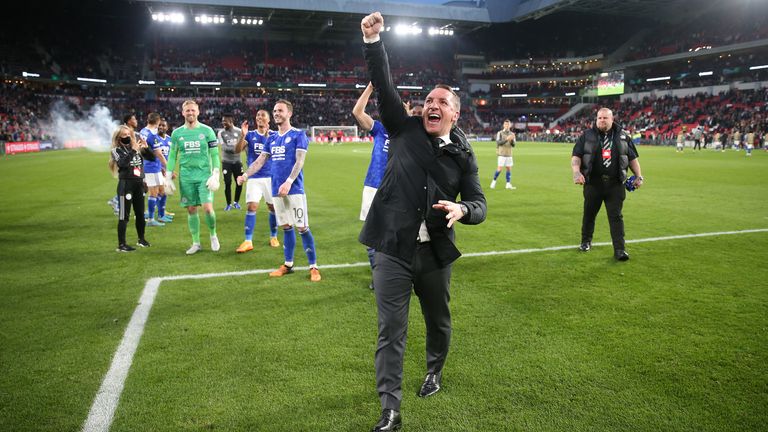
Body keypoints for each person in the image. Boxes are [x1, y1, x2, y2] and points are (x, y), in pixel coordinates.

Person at [360, 12, 487, 431]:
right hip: (392, 248)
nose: (432, 105)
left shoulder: (463, 155)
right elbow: (384, 84)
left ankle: (434, 371)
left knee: (438, 320)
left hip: (434, 252)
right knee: (390, 330)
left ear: (455, 113)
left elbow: (479, 203)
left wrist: (462, 210)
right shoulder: (403, 127)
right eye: (429, 100)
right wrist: (374, 40)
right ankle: (391, 408)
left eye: (442, 102)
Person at [238, 100, 321, 282]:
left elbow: (300, 161)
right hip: (276, 190)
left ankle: (313, 266)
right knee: (285, 227)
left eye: (280, 111)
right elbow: (260, 161)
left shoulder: (299, 135)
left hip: (294, 189)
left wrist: (289, 182)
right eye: (274, 111)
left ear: (289, 113)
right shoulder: (272, 138)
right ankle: (288, 264)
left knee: (302, 227)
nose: (276, 113)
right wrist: (245, 175)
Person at [571, 107, 643, 261]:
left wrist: (639, 176)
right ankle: (585, 242)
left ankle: (620, 250)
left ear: (612, 119)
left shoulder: (623, 136)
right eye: (599, 118)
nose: (602, 120)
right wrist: (576, 172)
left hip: (615, 184)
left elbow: (632, 158)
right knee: (589, 214)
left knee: (616, 217)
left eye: (605, 118)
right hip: (593, 183)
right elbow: (576, 156)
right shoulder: (587, 135)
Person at [164, 100, 221, 255]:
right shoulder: (177, 134)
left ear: (198, 112)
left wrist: (215, 174)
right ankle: (196, 243)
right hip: (186, 177)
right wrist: (168, 176)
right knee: (191, 209)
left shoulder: (208, 131)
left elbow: (215, 154)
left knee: (208, 209)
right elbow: (172, 156)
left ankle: (213, 235)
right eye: (187, 110)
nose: (190, 113)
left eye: (193, 110)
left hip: (204, 176)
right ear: (183, 113)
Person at [352, 83, 391, 290]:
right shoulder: (380, 129)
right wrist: (370, 88)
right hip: (373, 185)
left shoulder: (409, 132)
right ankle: (378, 276)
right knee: (372, 236)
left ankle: (401, 276)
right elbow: (357, 112)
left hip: (397, 189)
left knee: (398, 234)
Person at [234, 109, 280, 253]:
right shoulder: (251, 135)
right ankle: (248, 241)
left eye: (263, 115)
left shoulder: (274, 135)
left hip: (270, 177)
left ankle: (274, 236)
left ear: (268, 120)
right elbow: (237, 150)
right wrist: (243, 135)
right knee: (251, 207)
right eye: (258, 115)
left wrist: (268, 138)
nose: (260, 117)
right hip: (254, 177)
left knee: (272, 208)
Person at [109, 125, 154, 252]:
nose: (128, 137)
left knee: (140, 214)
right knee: (124, 216)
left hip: (139, 185)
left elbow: (151, 158)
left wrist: (146, 147)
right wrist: (134, 150)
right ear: (118, 138)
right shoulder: (116, 150)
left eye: (128, 134)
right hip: (126, 185)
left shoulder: (136, 147)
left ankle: (142, 239)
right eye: (124, 135)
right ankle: (122, 244)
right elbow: (122, 164)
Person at [108, 113, 141, 215]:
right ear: (129, 121)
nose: (136, 121)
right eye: (134, 119)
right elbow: (123, 161)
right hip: (127, 170)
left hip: (136, 166)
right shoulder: (126, 136)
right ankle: (118, 201)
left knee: (142, 186)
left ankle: (117, 201)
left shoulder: (135, 134)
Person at [139, 112, 169, 227]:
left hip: (149, 165)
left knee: (161, 190)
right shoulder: (153, 136)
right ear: (157, 122)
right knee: (154, 192)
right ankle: (151, 218)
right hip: (152, 167)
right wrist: (167, 167)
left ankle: (155, 214)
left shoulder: (143, 131)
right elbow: (159, 154)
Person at [218, 113, 245, 211]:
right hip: (226, 162)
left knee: (239, 183)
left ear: (231, 121)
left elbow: (243, 144)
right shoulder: (221, 133)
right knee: (227, 183)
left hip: (237, 161)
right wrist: (237, 149)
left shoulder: (239, 131)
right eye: (222, 121)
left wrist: (240, 148)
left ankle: (236, 202)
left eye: (225, 121)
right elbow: (224, 147)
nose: (223, 123)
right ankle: (228, 204)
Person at [154, 118, 174, 223]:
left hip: (167, 169)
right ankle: (153, 215)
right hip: (157, 169)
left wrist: (170, 169)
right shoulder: (154, 139)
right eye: (159, 125)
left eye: (163, 125)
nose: (161, 127)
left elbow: (171, 156)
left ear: (167, 127)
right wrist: (161, 168)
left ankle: (162, 214)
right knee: (158, 192)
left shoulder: (170, 139)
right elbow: (153, 155)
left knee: (164, 192)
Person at [491, 119, 516, 190]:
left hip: (509, 154)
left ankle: (508, 184)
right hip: (502, 154)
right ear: (503, 125)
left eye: (508, 124)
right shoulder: (500, 133)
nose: (507, 125)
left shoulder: (512, 134)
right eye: (505, 124)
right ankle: (494, 181)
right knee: (499, 169)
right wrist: (507, 139)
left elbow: (513, 145)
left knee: (509, 169)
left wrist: (511, 140)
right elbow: (498, 143)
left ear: (510, 125)